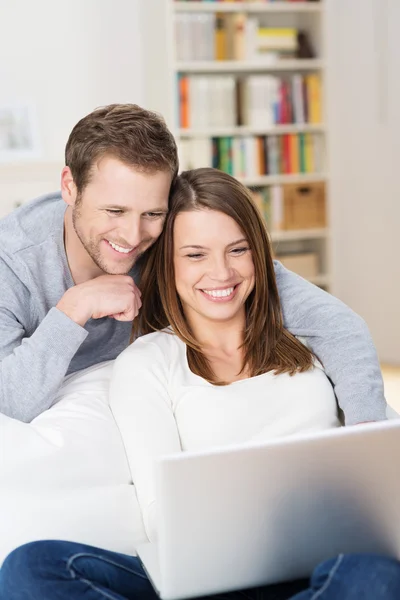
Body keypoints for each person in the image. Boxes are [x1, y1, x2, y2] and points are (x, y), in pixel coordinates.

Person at [2, 169, 398, 600]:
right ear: (165, 264)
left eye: (238, 250)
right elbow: (161, 516)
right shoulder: (149, 362)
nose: (221, 272)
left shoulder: (311, 337)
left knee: (373, 575)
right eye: (195, 255)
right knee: (31, 566)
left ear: (259, 255)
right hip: (207, 569)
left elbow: (351, 352)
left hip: (324, 560)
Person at [0, 103, 387, 424]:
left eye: (151, 212)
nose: (133, 237)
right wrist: (73, 310)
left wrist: (365, 436)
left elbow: (335, 324)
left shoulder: (175, 233)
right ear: (69, 186)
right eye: (114, 210)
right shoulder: (11, 263)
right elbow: (8, 405)